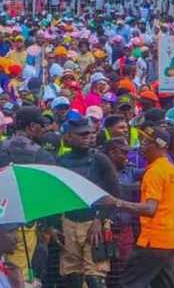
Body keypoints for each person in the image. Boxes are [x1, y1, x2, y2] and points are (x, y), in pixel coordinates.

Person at [111, 129, 174, 288]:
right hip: (172, 241)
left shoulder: (154, 172)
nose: (142, 146)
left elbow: (150, 209)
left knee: (128, 284)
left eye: (147, 142)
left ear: (158, 145)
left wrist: (118, 203)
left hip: (153, 240)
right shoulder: (173, 171)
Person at [55, 115, 120, 288]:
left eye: (89, 134)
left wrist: (101, 220)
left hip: (94, 222)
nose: (87, 138)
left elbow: (114, 194)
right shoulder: (61, 161)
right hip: (69, 221)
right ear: (69, 136)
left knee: (95, 275)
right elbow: (56, 195)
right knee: (72, 274)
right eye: (82, 134)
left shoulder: (100, 159)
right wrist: (54, 225)